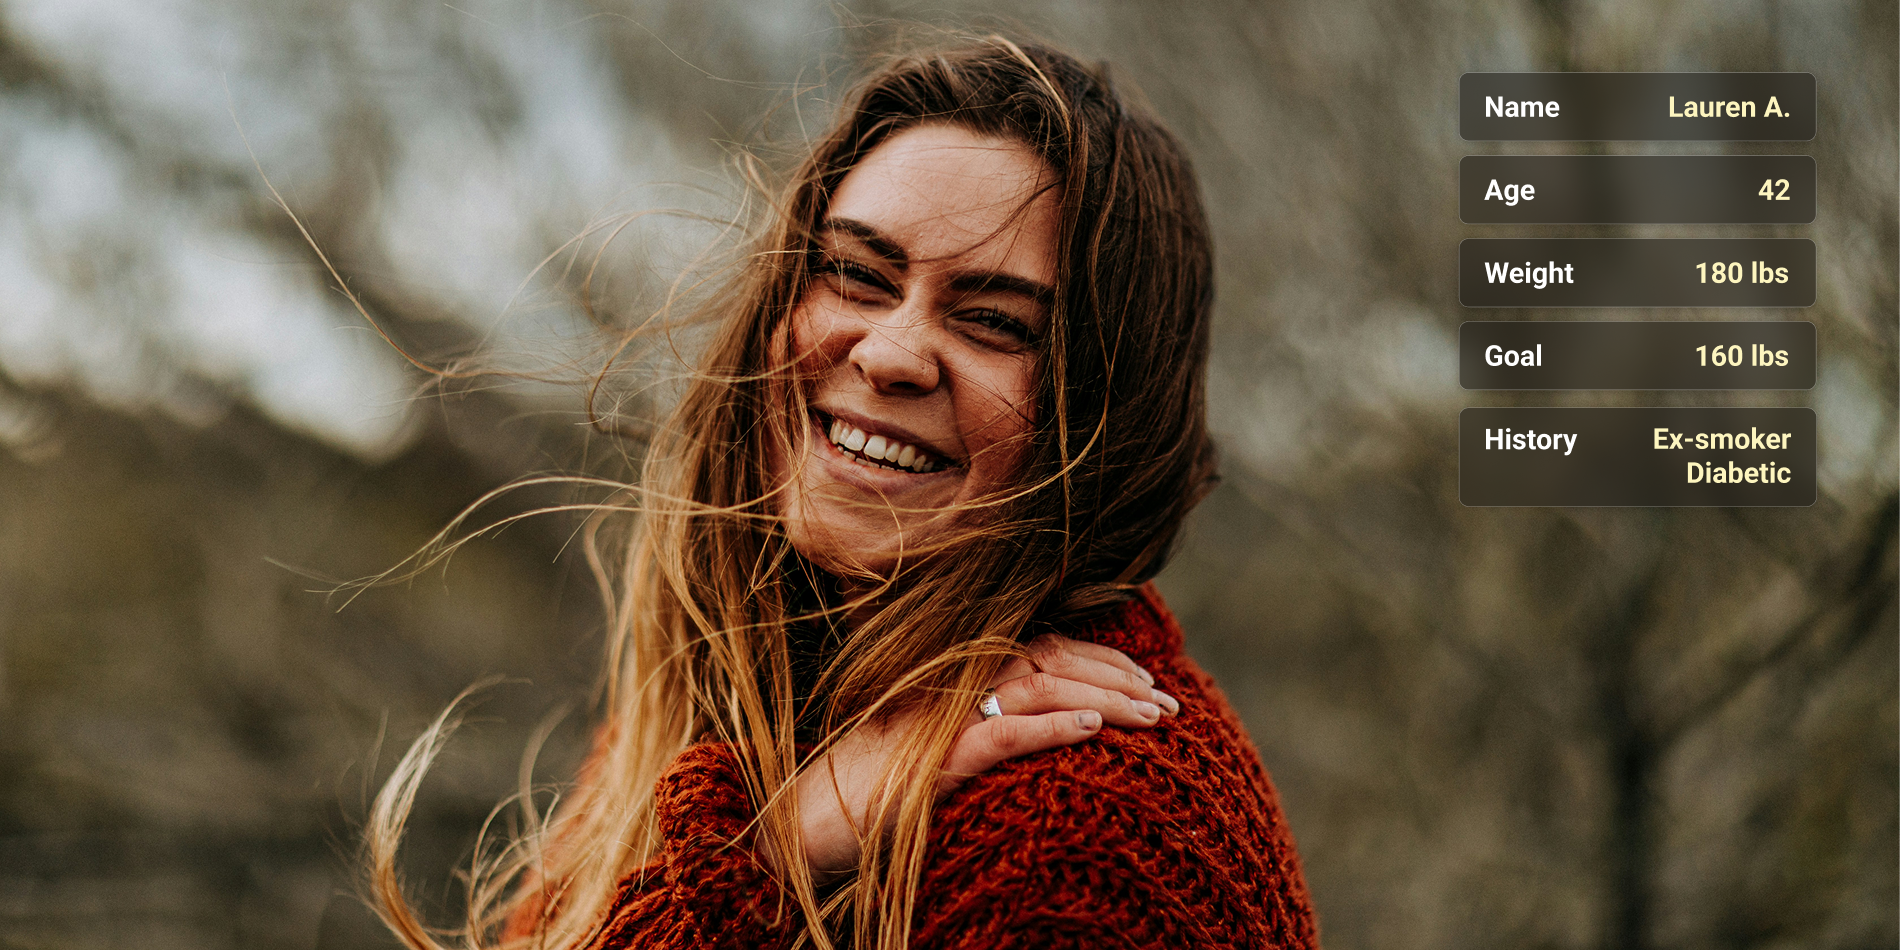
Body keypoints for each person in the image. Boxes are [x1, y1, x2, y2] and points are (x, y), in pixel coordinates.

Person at [367, 34, 1319, 950]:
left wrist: (754, 871)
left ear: (1114, 409)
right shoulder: (754, 686)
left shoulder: (1083, 835)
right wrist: (774, 841)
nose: (890, 353)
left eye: (994, 321)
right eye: (856, 275)